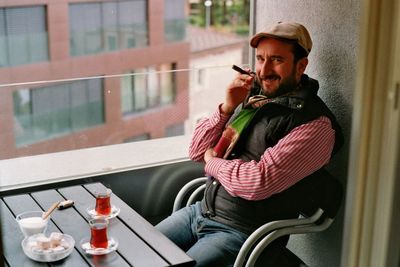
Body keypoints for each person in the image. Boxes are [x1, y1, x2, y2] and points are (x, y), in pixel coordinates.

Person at [156, 21, 344, 267]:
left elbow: (258, 181)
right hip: (200, 211)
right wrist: (227, 107)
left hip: (241, 232)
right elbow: (197, 150)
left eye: (276, 60)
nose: (264, 70)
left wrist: (213, 163)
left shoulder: (315, 125)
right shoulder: (254, 98)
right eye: (260, 59)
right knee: (141, 250)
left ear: (301, 66)